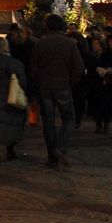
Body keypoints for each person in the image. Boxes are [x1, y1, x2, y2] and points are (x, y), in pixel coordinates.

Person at [30, 14, 83, 167]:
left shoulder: (40, 44)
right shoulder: (69, 44)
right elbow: (78, 68)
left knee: (48, 122)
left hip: (45, 87)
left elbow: (33, 68)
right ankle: (61, 147)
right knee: (69, 118)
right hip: (63, 86)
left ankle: (52, 157)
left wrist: (38, 83)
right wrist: (70, 82)